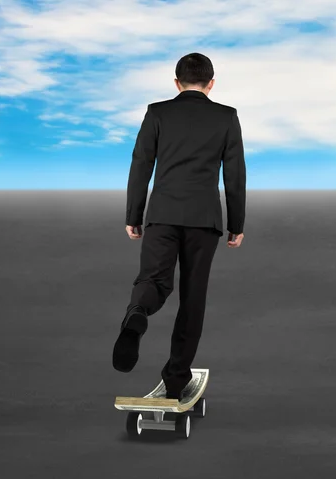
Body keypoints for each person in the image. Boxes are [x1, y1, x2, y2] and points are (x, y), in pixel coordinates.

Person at [112, 52, 246, 401]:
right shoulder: (226, 117)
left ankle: (138, 314)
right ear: (211, 83)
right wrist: (237, 224)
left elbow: (141, 164)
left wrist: (133, 215)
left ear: (176, 83)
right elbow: (235, 176)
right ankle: (175, 378)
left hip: (162, 214)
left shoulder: (158, 112)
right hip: (204, 220)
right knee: (192, 297)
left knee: (153, 280)